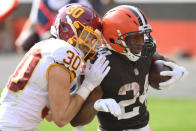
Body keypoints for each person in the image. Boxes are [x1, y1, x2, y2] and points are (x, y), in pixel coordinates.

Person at [70, 5, 188, 131]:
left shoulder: (145, 51)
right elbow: (77, 121)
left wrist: (178, 69)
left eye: (143, 35)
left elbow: (163, 60)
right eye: (135, 37)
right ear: (114, 38)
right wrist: (96, 106)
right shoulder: (101, 63)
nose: (142, 42)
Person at [0, 3, 111, 131]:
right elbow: (61, 118)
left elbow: (50, 115)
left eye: (92, 39)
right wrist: (89, 85)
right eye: (87, 36)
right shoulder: (65, 53)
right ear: (69, 29)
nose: (89, 44)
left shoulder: (46, 46)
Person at [15, 0, 92, 53]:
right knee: (26, 43)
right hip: (45, 41)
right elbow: (32, 22)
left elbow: (90, 22)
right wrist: (22, 37)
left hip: (71, 42)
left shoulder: (79, 2)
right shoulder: (40, 2)